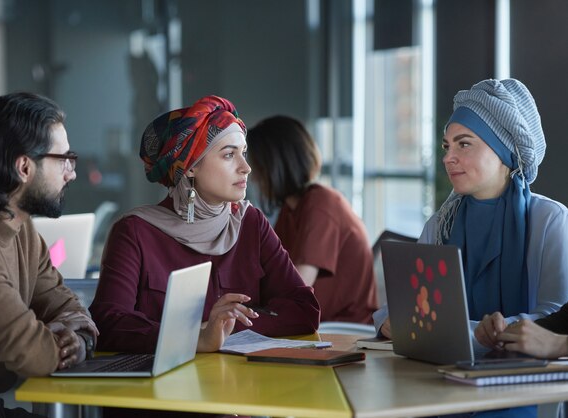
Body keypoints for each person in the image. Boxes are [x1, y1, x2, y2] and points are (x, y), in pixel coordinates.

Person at [89, 95, 320, 418]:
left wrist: (224, 329)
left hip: (237, 398)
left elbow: (303, 309)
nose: (246, 167)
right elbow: (108, 321)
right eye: (229, 155)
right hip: (160, 404)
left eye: (244, 154)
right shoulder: (134, 231)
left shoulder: (250, 223)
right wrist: (195, 337)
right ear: (191, 166)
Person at [373, 79, 568, 418]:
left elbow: (556, 316)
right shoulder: (440, 223)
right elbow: (405, 308)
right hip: (434, 384)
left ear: (505, 150)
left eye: (464, 144)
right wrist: (390, 322)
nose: (448, 157)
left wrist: (492, 331)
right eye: (446, 145)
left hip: (516, 387)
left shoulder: (550, 219)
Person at [0, 92, 99, 418]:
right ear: (24, 167)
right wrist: (52, 338)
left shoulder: (21, 229)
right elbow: (29, 353)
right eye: (63, 160)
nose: (71, 173)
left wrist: (79, 341)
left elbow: (70, 309)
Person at [246, 115, 377, 323]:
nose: (253, 177)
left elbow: (298, 285)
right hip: (317, 324)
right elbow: (272, 272)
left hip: (342, 328)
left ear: (275, 166)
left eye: (258, 167)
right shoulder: (292, 210)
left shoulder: (322, 204)